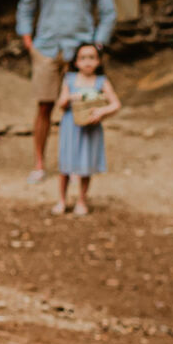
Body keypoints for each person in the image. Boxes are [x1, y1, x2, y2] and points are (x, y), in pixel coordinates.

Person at [17, 0, 117, 183]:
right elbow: (26, 7)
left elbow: (108, 12)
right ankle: (39, 164)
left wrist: (97, 45)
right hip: (47, 49)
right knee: (44, 106)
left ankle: (77, 164)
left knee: (79, 108)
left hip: (80, 54)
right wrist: (28, 40)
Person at [51, 41, 118, 215]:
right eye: (83, 58)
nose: (87, 62)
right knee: (65, 165)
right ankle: (62, 200)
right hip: (70, 127)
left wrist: (102, 112)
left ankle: (82, 200)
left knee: (86, 164)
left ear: (99, 61)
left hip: (91, 129)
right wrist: (73, 98)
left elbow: (115, 104)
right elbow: (61, 103)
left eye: (92, 58)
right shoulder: (70, 79)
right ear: (76, 61)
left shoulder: (102, 81)